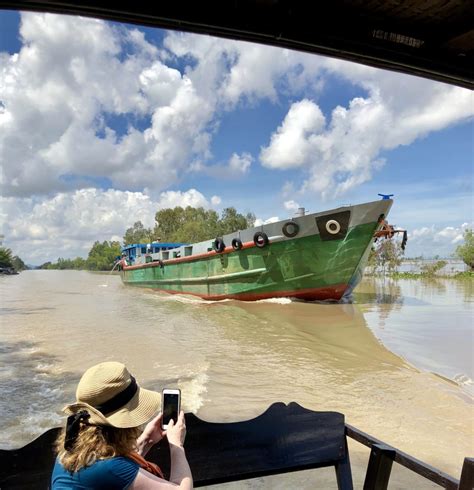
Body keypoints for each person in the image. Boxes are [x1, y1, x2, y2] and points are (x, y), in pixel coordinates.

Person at [51, 361, 193, 489]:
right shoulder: (111, 469)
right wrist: (176, 445)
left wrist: (146, 441)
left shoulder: (71, 450)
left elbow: (114, 475)